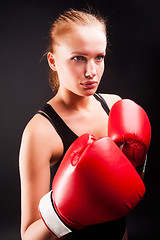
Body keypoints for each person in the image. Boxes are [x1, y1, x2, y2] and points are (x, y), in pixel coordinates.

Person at [19, 9, 150, 240]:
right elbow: (29, 235)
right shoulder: (40, 132)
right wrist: (62, 213)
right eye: (78, 58)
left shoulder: (115, 106)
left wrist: (136, 166)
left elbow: (121, 198)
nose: (91, 72)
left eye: (99, 57)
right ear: (53, 60)